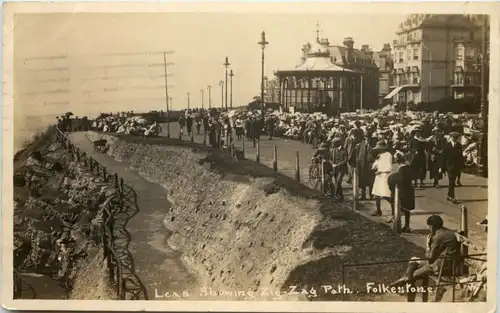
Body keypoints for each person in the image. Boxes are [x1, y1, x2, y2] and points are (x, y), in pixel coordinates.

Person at [389, 215, 461, 302]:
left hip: (440, 267)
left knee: (412, 274)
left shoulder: (438, 237)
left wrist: (427, 245)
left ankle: (402, 288)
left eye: (429, 227)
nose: (429, 229)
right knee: (414, 259)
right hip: (450, 264)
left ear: (433, 226)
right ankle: (400, 283)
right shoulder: (449, 233)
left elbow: (430, 259)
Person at [388, 152, 415, 232]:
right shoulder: (409, 168)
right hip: (409, 192)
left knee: (397, 208)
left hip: (400, 193)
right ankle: (407, 225)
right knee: (407, 210)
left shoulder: (398, 172)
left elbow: (391, 181)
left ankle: (396, 223)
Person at [371, 140, 393, 216]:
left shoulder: (388, 155)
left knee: (385, 195)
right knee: (376, 194)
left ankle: (394, 209)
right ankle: (378, 210)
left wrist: (380, 171)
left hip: (385, 176)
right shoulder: (380, 155)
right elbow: (378, 163)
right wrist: (374, 166)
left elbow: (389, 168)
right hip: (379, 176)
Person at [442, 131, 463, 204]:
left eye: (456, 137)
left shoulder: (459, 145)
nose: (455, 138)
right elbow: (443, 157)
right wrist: (442, 168)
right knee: (451, 181)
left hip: (456, 166)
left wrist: (461, 165)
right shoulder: (447, 146)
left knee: (452, 181)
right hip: (449, 166)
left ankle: (449, 195)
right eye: (453, 137)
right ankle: (452, 197)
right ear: (451, 137)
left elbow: (461, 156)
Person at [356, 130, 375, 200]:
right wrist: (358, 164)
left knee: (371, 181)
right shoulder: (360, 144)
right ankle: (363, 195)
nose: (367, 138)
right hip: (362, 165)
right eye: (366, 137)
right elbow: (357, 156)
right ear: (364, 137)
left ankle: (371, 195)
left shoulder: (373, 144)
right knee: (362, 180)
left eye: (368, 137)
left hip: (370, 165)